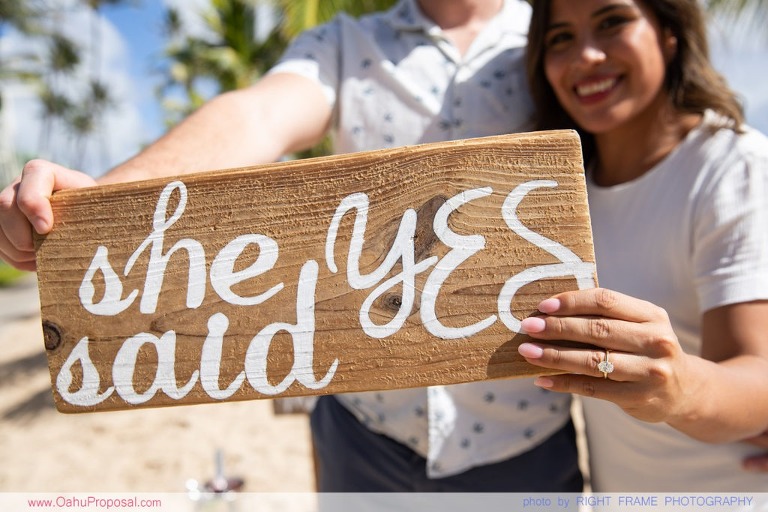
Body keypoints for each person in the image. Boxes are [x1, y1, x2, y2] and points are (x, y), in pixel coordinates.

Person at [0, 0, 585, 492]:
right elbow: (257, 116)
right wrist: (100, 204)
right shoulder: (344, 43)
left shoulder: (556, 40)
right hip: (365, 434)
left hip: (524, 436)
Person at [517, 0, 768, 491]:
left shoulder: (730, 167)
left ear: (670, 33)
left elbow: (758, 373)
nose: (586, 56)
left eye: (613, 22)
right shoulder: (557, 194)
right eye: (560, 38)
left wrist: (677, 388)